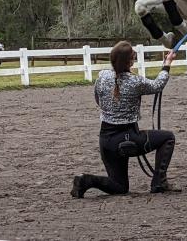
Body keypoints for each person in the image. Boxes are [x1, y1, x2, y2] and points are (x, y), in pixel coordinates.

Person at [71, 40, 178, 197]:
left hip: (106, 141)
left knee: (120, 186)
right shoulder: (135, 81)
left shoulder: (102, 76)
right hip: (128, 138)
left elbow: (97, 98)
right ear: (131, 61)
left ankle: (86, 181)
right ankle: (159, 182)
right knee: (168, 138)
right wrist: (167, 63)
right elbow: (157, 85)